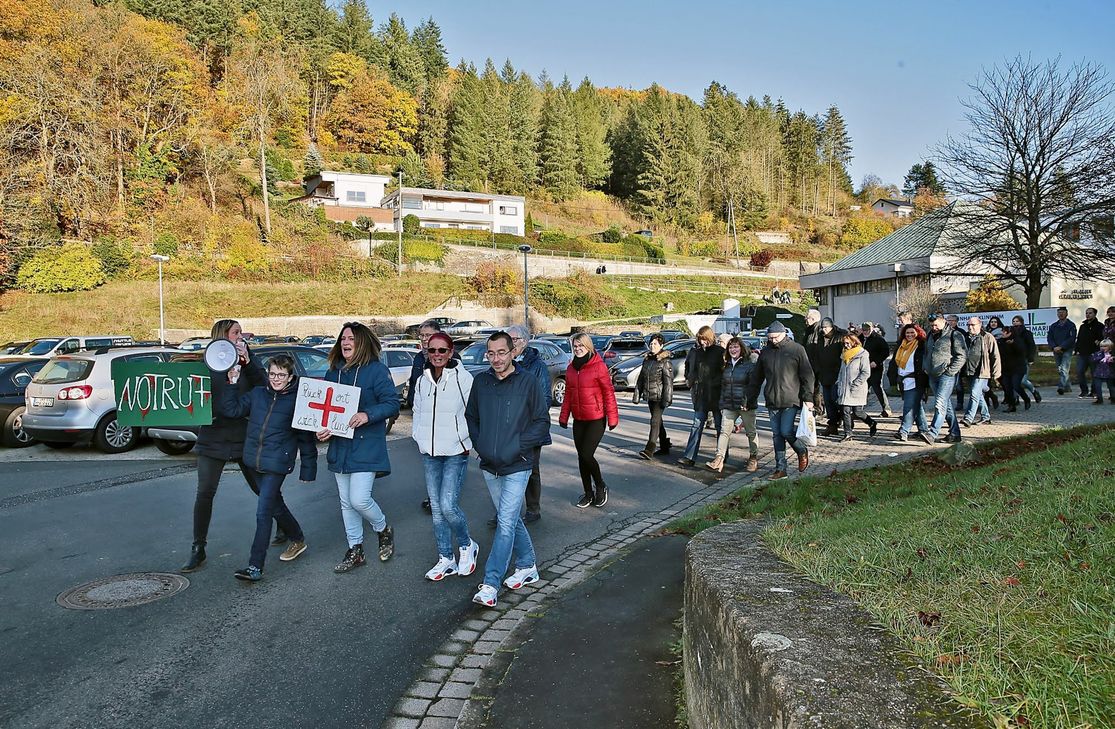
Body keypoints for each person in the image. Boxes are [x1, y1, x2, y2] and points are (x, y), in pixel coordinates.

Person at [181, 319, 277, 573]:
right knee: (205, 493)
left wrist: (249, 361)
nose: (241, 335)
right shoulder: (208, 363)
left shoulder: (246, 360)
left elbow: (265, 384)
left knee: (261, 488)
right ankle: (198, 547)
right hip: (213, 436)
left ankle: (287, 528)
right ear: (222, 336)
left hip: (242, 434)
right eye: (236, 332)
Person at [466, 332, 549, 608]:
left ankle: (490, 583)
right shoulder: (481, 382)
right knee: (510, 519)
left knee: (504, 524)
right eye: (491, 353)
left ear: (513, 352)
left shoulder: (528, 382)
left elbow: (540, 422)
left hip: (517, 464)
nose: (496, 359)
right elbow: (472, 418)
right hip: (490, 464)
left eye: (502, 352)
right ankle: (527, 565)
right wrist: (481, 445)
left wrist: (517, 446)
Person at [219, 354, 317, 582]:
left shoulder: (296, 402)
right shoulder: (257, 394)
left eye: (281, 375)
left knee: (263, 512)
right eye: (272, 373)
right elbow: (231, 410)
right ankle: (297, 538)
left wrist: (308, 469)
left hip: (277, 463)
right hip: (253, 459)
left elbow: (305, 438)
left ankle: (255, 566)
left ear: (290, 377)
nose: (276, 378)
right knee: (275, 505)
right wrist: (232, 383)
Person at [319, 322, 400, 573]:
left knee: (359, 499)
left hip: (366, 446)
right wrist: (323, 428)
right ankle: (355, 549)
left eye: (351, 339)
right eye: (342, 338)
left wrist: (367, 414)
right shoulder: (334, 372)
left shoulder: (377, 371)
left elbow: (392, 404)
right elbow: (326, 407)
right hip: (341, 447)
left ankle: (383, 528)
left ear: (362, 342)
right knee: (346, 502)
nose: (345, 342)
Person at [411, 332, 479, 582]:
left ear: (451, 352)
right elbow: (417, 410)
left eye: (442, 351)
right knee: (437, 509)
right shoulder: (422, 380)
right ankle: (445, 558)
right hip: (430, 452)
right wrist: (418, 436)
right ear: (426, 353)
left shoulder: (463, 379)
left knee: (449, 506)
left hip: (455, 452)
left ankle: (466, 546)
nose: (437, 355)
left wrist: (466, 440)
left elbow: (473, 412)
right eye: (432, 351)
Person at [559, 333, 619, 507]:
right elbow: (569, 394)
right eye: (575, 346)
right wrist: (564, 416)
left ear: (588, 347)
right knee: (581, 457)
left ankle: (600, 485)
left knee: (586, 454)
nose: (578, 349)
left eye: (581, 346)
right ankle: (588, 493)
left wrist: (613, 417)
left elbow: (608, 392)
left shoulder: (598, 366)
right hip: (579, 419)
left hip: (596, 418)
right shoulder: (571, 368)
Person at [747, 321, 814, 480]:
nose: (772, 340)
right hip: (772, 399)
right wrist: (749, 399)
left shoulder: (797, 350)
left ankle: (801, 450)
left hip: (791, 399)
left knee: (786, 431)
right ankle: (780, 469)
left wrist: (808, 398)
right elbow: (756, 378)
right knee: (777, 435)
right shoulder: (766, 352)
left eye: (775, 337)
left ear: (784, 334)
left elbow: (807, 375)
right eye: (770, 338)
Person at [508, 324, 551, 524]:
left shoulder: (537, 366)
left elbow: (544, 398)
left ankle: (533, 508)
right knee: (506, 468)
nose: (510, 344)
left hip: (530, 427)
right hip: (508, 427)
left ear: (524, 342)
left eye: (513, 340)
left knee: (531, 468)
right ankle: (507, 511)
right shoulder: (505, 362)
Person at [677, 326, 724, 467]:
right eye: (700, 339)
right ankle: (689, 456)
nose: (702, 342)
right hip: (701, 394)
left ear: (710, 338)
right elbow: (688, 366)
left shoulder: (719, 352)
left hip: (716, 394)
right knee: (696, 425)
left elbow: (724, 372)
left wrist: (716, 383)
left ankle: (722, 456)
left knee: (720, 426)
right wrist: (689, 379)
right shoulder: (696, 352)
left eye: (704, 339)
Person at [709, 337, 758, 473]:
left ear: (741, 348)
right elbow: (723, 387)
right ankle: (718, 459)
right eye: (730, 347)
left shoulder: (749, 365)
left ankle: (753, 457)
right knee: (724, 432)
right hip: (729, 404)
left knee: (751, 432)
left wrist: (747, 402)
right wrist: (722, 403)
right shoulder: (726, 365)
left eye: (736, 347)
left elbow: (753, 387)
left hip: (745, 405)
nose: (733, 350)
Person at [922, 314, 966, 444]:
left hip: (946, 375)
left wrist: (950, 371)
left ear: (943, 322)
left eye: (936, 325)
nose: (934, 328)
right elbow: (926, 352)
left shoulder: (955, 335)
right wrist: (925, 367)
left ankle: (932, 433)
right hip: (932, 374)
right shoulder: (930, 335)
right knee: (946, 406)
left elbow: (962, 355)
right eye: (932, 325)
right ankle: (955, 433)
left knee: (940, 403)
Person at [887, 323, 929, 442]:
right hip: (903, 381)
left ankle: (903, 431)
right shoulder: (901, 345)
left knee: (909, 407)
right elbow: (894, 363)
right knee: (916, 406)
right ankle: (924, 430)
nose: (909, 335)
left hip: (916, 380)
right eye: (907, 333)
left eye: (912, 333)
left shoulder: (921, 345)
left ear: (917, 333)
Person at [634, 333, 673, 460]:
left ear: (661, 345)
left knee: (654, 422)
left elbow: (668, 382)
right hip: (649, 396)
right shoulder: (647, 359)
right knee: (658, 422)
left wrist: (667, 399)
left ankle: (649, 449)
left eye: (655, 343)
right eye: (651, 343)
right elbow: (641, 378)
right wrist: (637, 394)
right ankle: (665, 445)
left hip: (660, 397)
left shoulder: (665, 362)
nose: (652, 346)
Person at [834, 332, 877, 441]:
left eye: (848, 343)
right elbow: (841, 370)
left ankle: (871, 422)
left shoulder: (862, 354)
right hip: (844, 387)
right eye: (844, 343)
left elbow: (866, 372)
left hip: (856, 388)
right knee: (845, 411)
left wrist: (856, 383)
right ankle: (848, 433)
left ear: (854, 342)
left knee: (858, 412)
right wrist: (839, 381)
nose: (846, 345)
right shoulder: (844, 354)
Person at [961, 317, 1000, 427]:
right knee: (978, 395)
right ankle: (986, 416)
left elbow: (995, 355)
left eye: (973, 325)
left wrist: (996, 372)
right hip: (969, 371)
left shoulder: (987, 337)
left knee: (974, 394)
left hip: (982, 371)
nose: (970, 327)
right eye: (968, 325)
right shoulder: (965, 337)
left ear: (979, 325)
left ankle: (968, 418)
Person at [814, 318, 845, 437]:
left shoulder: (840, 336)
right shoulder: (821, 338)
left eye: (826, 327)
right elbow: (818, 354)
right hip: (824, 374)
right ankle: (832, 425)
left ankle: (845, 420)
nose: (824, 330)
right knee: (828, 401)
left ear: (832, 327)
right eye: (822, 328)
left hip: (837, 374)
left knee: (836, 399)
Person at [860, 322, 892, 417]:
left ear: (872, 329)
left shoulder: (878, 338)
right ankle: (858, 410)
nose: (865, 332)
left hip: (875, 368)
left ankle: (886, 409)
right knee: (863, 389)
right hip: (863, 368)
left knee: (877, 387)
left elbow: (886, 351)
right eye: (864, 330)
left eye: (868, 330)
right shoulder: (861, 338)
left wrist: (876, 362)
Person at [998, 324, 1031, 412]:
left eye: (1005, 332)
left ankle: (1026, 399)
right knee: (1007, 387)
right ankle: (1011, 405)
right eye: (1003, 331)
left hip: (1018, 368)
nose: (1003, 333)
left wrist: (1013, 344)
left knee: (1016, 385)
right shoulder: (1001, 341)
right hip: (1005, 368)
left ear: (1010, 332)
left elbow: (1021, 351)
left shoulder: (1017, 340)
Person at [1047, 307, 1077, 395]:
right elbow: (1050, 337)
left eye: (1063, 312)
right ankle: (1067, 387)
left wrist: (1062, 347)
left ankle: (1061, 387)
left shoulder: (1071, 325)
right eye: (1059, 313)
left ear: (1066, 314)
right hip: (1056, 349)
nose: (1061, 314)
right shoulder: (1053, 326)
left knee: (1064, 368)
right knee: (1060, 369)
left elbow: (1072, 338)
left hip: (1067, 349)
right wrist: (1054, 347)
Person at [1075, 307, 1104, 399]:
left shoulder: (1100, 326)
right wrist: (1077, 349)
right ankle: (1084, 391)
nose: (1088, 315)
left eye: (1090, 313)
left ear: (1095, 314)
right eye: (1086, 313)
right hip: (1082, 353)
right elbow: (1079, 338)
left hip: (1094, 353)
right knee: (1080, 371)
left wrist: (1099, 342)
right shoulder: (1083, 326)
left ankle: (1094, 391)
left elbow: (1102, 338)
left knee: (1094, 373)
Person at [1011, 315, 1041, 403]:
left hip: (1024, 359)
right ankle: (1015, 398)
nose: (1015, 323)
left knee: (1023, 380)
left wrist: (1031, 358)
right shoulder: (1010, 333)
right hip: (1013, 360)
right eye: (1014, 321)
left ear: (1021, 322)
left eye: (1017, 321)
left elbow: (1032, 346)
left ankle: (1034, 391)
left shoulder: (1027, 333)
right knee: (1014, 380)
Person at [803, 308, 823, 410]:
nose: (805, 321)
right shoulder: (809, 330)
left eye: (807, 318)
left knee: (817, 388)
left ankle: (819, 409)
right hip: (810, 363)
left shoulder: (819, 330)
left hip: (817, 365)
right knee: (812, 387)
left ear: (813, 319)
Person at [1092, 339, 1114, 404]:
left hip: (1109, 373)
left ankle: (1113, 398)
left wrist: (1111, 359)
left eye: (1105, 346)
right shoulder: (1098, 353)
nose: (1103, 348)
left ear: (1110, 347)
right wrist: (1102, 357)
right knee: (1097, 386)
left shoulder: (1112, 354)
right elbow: (1093, 359)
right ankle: (1099, 399)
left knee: (1111, 387)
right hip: (1098, 372)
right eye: (1101, 346)